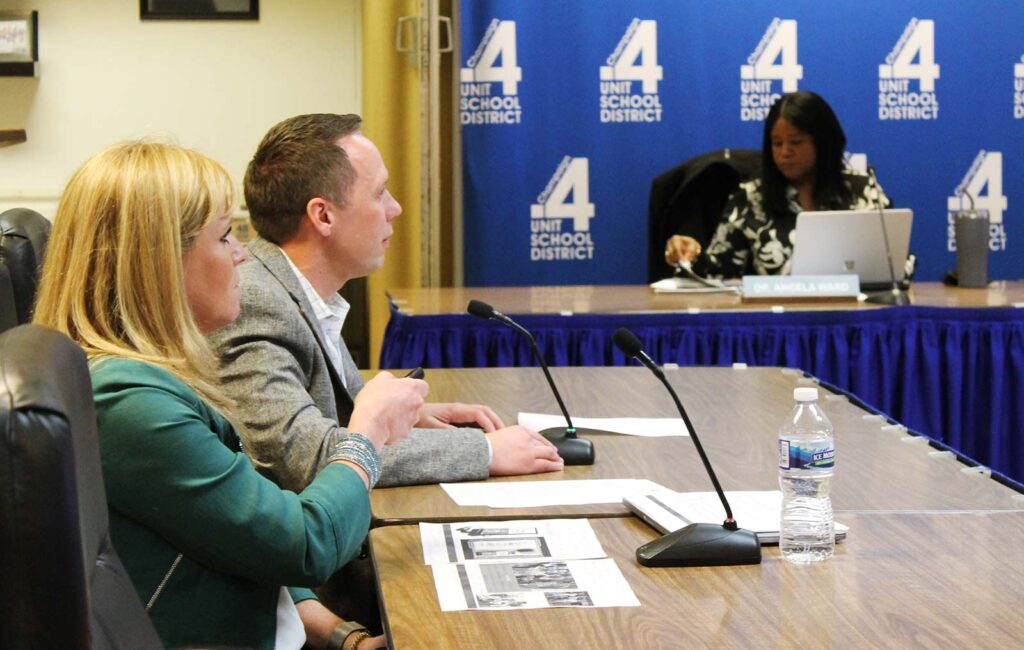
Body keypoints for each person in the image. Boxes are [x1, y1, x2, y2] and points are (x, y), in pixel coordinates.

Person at [32, 141, 413, 650]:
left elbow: (246, 534)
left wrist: (340, 636)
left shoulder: (153, 376)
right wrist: (367, 434)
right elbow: (304, 543)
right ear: (161, 261)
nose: (241, 254)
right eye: (226, 235)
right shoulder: (129, 403)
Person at [207, 113, 564, 496]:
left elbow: (329, 417)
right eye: (379, 193)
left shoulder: (293, 288)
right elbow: (304, 457)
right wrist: (485, 449)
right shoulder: (257, 302)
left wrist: (409, 417)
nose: (395, 209)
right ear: (323, 216)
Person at [664, 90, 891, 277]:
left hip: (852, 319)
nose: (785, 153)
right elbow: (717, 275)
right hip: (774, 324)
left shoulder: (862, 189)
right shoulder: (751, 198)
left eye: (795, 142)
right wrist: (689, 254)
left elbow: (898, 265)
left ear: (823, 143)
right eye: (776, 143)